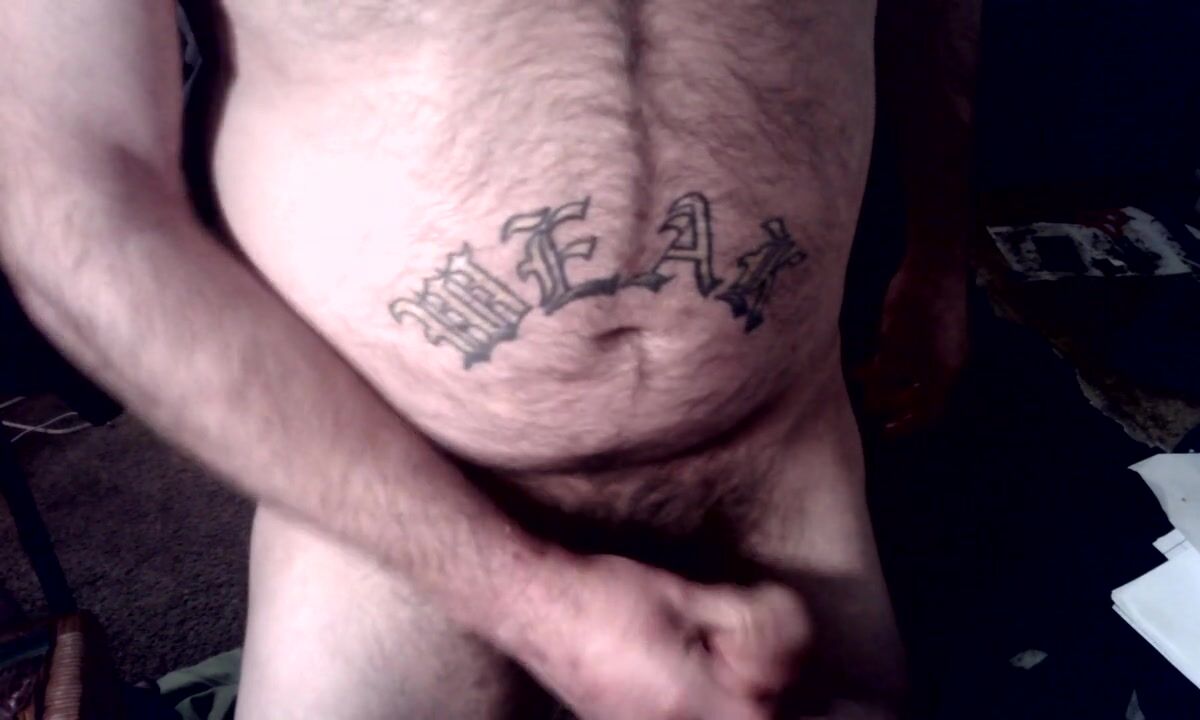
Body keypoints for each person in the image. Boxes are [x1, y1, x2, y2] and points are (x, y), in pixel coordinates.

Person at [0, 1, 977, 718]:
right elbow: (71, 196)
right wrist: (540, 610)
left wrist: (939, 252)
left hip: (776, 456)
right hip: (397, 505)